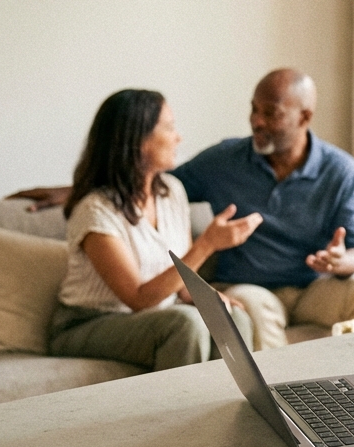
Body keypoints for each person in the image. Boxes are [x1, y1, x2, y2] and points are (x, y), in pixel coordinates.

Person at [15, 69, 354, 351]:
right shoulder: (221, 161)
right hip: (250, 287)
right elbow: (130, 182)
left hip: (314, 287)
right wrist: (78, 189)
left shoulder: (341, 170)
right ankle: (283, 411)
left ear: (304, 118)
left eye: (270, 113)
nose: (256, 121)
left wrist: (341, 261)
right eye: (253, 109)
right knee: (236, 313)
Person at [51, 89, 262, 370]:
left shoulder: (172, 192)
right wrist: (207, 244)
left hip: (155, 315)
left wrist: (210, 299)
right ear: (139, 140)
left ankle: (229, 399)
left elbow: (182, 281)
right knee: (184, 324)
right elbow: (139, 299)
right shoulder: (95, 210)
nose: (178, 137)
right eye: (170, 127)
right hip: (88, 322)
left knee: (235, 319)